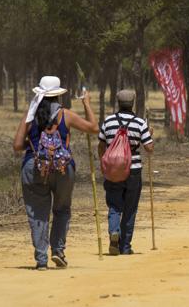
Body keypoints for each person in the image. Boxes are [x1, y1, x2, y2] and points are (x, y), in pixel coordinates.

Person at [13, 76, 99, 270]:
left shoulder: (30, 115)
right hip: (63, 168)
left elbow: (17, 145)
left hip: (33, 168)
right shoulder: (65, 115)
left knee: (38, 213)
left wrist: (34, 145)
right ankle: (58, 250)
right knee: (62, 209)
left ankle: (41, 259)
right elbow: (93, 128)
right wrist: (86, 104)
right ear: (58, 95)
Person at [98, 90, 154, 255]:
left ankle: (114, 231)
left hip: (113, 170)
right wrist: (151, 135)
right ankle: (125, 247)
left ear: (118, 102)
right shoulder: (139, 123)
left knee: (114, 205)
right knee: (130, 209)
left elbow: (101, 145)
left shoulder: (108, 122)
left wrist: (103, 162)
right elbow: (149, 148)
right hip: (133, 171)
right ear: (133, 102)